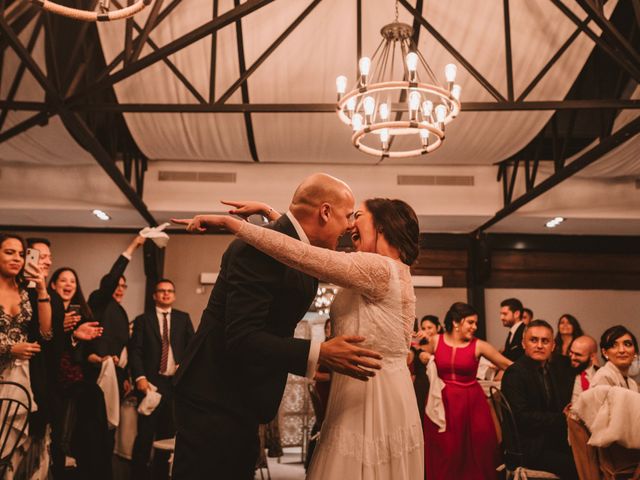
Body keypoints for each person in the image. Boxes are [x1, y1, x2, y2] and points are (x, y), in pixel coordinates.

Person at [170, 174, 387, 480]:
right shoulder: (256, 250)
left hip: (238, 395)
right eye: (347, 215)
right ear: (325, 212)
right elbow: (243, 337)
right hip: (215, 395)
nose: (350, 225)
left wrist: (270, 212)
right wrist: (319, 352)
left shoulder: (295, 246)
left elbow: (290, 243)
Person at [423, 302, 512, 480]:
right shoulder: (436, 340)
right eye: (470, 322)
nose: (474, 327)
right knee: (446, 449)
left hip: (472, 403)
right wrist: (423, 356)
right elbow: (420, 352)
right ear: (456, 322)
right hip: (443, 402)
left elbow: (508, 365)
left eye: (475, 323)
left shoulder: (479, 345)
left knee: (478, 450)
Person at [129, 278, 194, 478]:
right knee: (145, 436)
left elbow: (192, 348)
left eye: (169, 291)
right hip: (150, 385)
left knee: (168, 436)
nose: (166, 294)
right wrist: (139, 377)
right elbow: (135, 351)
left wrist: (184, 365)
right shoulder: (143, 320)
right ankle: (138, 475)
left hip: (175, 385)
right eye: (162, 291)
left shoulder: (183, 319)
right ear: (155, 295)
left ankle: (159, 475)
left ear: (173, 295)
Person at [0, 233, 52, 477]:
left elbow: (45, 331)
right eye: (9, 252)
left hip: (20, 376)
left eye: (21, 254)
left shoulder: (25, 290)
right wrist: (10, 348)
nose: (17, 259)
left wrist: (41, 288)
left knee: (11, 449)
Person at [48, 267, 107, 479]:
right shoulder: (45, 310)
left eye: (72, 281)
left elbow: (83, 354)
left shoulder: (82, 314)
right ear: (53, 285)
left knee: (92, 402)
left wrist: (76, 338)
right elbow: (48, 346)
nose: (68, 284)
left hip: (76, 381)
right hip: (52, 381)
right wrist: (66, 332)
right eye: (63, 280)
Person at [501, 319, 577, 480]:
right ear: (523, 344)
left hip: (548, 440)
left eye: (545, 341)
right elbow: (521, 417)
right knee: (579, 465)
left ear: (553, 346)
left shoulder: (548, 369)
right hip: (528, 448)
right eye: (533, 340)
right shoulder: (515, 373)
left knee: (591, 455)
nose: (539, 345)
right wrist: (561, 417)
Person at [591, 325, 638, 391]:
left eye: (627, 344)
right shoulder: (604, 376)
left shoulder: (632, 384)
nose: (622, 350)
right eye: (614, 346)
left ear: (635, 352)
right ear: (605, 352)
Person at [568, 335, 599, 404]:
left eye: (578, 355)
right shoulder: (561, 371)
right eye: (571, 352)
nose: (572, 357)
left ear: (592, 356)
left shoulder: (601, 375)